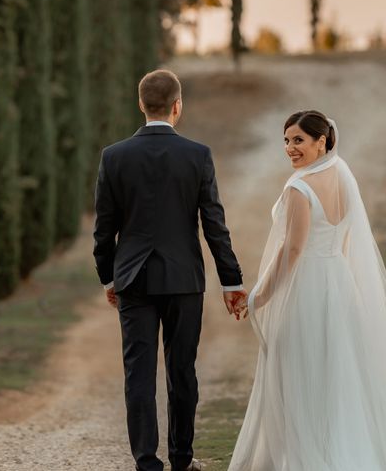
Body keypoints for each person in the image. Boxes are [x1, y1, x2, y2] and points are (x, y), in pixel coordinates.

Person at [228, 110, 386, 471]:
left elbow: (293, 249)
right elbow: (349, 238)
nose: (290, 148)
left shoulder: (300, 187)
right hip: (340, 284)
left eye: (299, 140)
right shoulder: (342, 175)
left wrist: (260, 295)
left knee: (301, 378)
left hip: (307, 289)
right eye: (287, 141)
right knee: (340, 377)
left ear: (322, 141)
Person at [93, 69, 247, 471]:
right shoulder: (197, 155)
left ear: (141, 104)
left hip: (134, 280)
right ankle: (182, 460)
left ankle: (147, 462)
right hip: (183, 280)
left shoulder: (114, 156)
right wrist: (232, 281)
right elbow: (214, 223)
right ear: (178, 106)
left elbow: (103, 229)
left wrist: (109, 278)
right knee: (183, 371)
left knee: (138, 374)